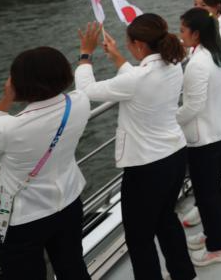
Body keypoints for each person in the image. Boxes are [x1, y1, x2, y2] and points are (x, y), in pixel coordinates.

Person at [75, 17, 196, 280]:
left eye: (129, 44)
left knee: (139, 236)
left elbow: (86, 90)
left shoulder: (139, 78)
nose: (128, 47)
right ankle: (184, 274)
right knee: (166, 219)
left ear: (139, 45)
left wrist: (86, 54)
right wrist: (118, 58)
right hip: (175, 155)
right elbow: (138, 80)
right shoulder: (173, 64)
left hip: (147, 166)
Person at [0, 47, 91, 280]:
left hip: (17, 215)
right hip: (69, 201)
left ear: (19, 83)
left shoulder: (9, 127)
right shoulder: (79, 102)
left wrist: (6, 99)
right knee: (73, 268)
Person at [180, 0, 221, 228]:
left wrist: (220, 104)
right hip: (211, 104)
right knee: (214, 164)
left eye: (203, 5)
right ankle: (205, 205)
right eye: (195, 3)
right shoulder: (203, 33)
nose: (198, 8)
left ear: (217, 7)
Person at [177, 7, 221, 266]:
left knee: (207, 194)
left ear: (196, 33)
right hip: (218, 129)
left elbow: (193, 106)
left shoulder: (198, 64)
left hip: (203, 138)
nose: (180, 34)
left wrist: (170, 119)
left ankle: (219, 246)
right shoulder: (215, 53)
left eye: (183, 30)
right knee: (212, 191)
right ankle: (213, 233)